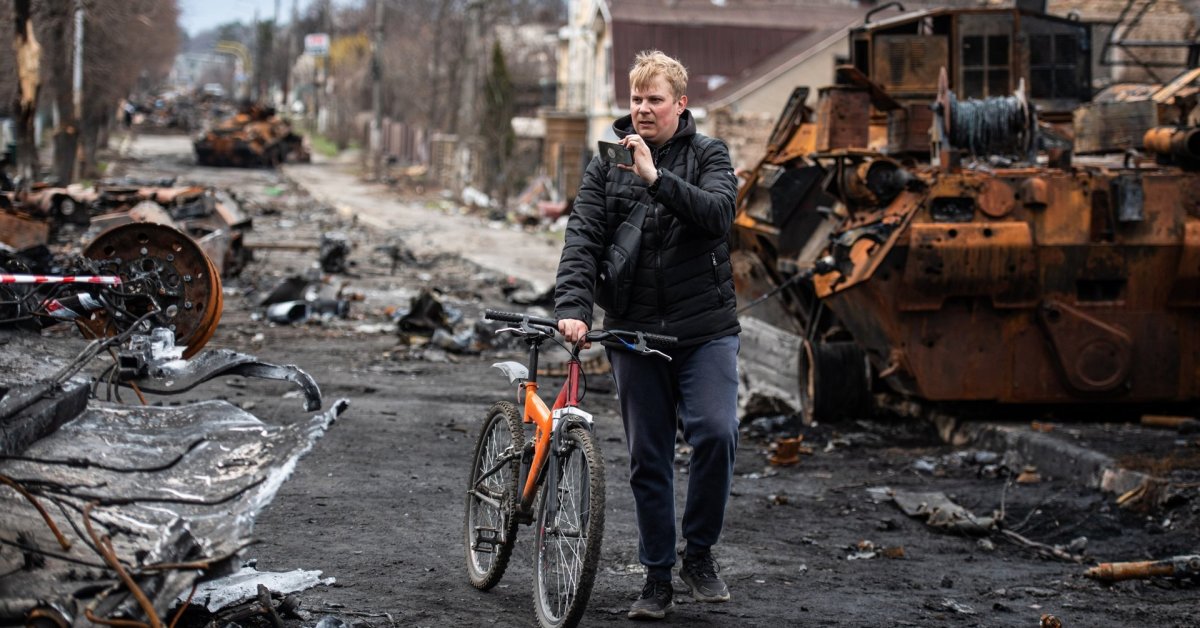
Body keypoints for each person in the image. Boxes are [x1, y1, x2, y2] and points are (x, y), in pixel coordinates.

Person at [554, 50, 740, 620]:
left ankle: (699, 555)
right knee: (649, 458)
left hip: (703, 329)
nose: (643, 109)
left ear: (680, 105)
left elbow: (719, 214)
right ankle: (657, 577)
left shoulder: (708, 154)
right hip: (634, 332)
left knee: (715, 432)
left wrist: (656, 180)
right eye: (636, 99)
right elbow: (583, 237)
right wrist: (574, 307)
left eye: (654, 99)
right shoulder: (605, 165)